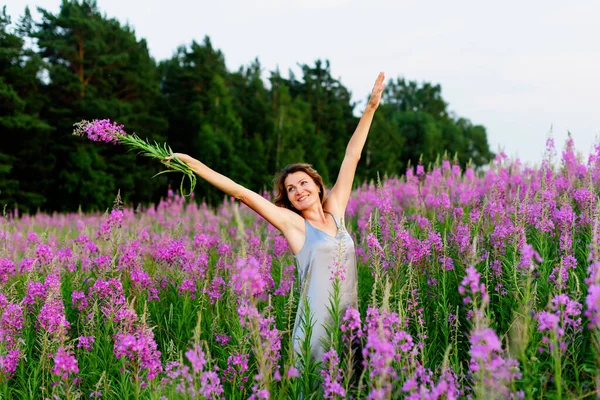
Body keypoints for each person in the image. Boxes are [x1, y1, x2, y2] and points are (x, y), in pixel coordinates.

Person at [166, 72, 385, 363]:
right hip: (315, 334)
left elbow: (351, 156)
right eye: (291, 189)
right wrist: (192, 164)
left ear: (318, 185)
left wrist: (370, 108)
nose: (299, 190)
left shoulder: (336, 212)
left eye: (304, 183)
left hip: (349, 327)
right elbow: (242, 193)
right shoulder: (294, 225)